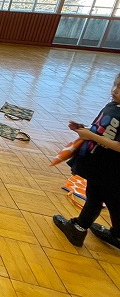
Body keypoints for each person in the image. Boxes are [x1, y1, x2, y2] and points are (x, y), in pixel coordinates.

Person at [53, 73, 120, 249]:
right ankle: (117, 234)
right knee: (108, 198)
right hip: (100, 163)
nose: (114, 90)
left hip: (110, 167)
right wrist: (85, 129)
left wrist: (91, 136)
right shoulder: (113, 105)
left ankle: (78, 228)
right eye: (115, 85)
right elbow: (104, 129)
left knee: (98, 197)